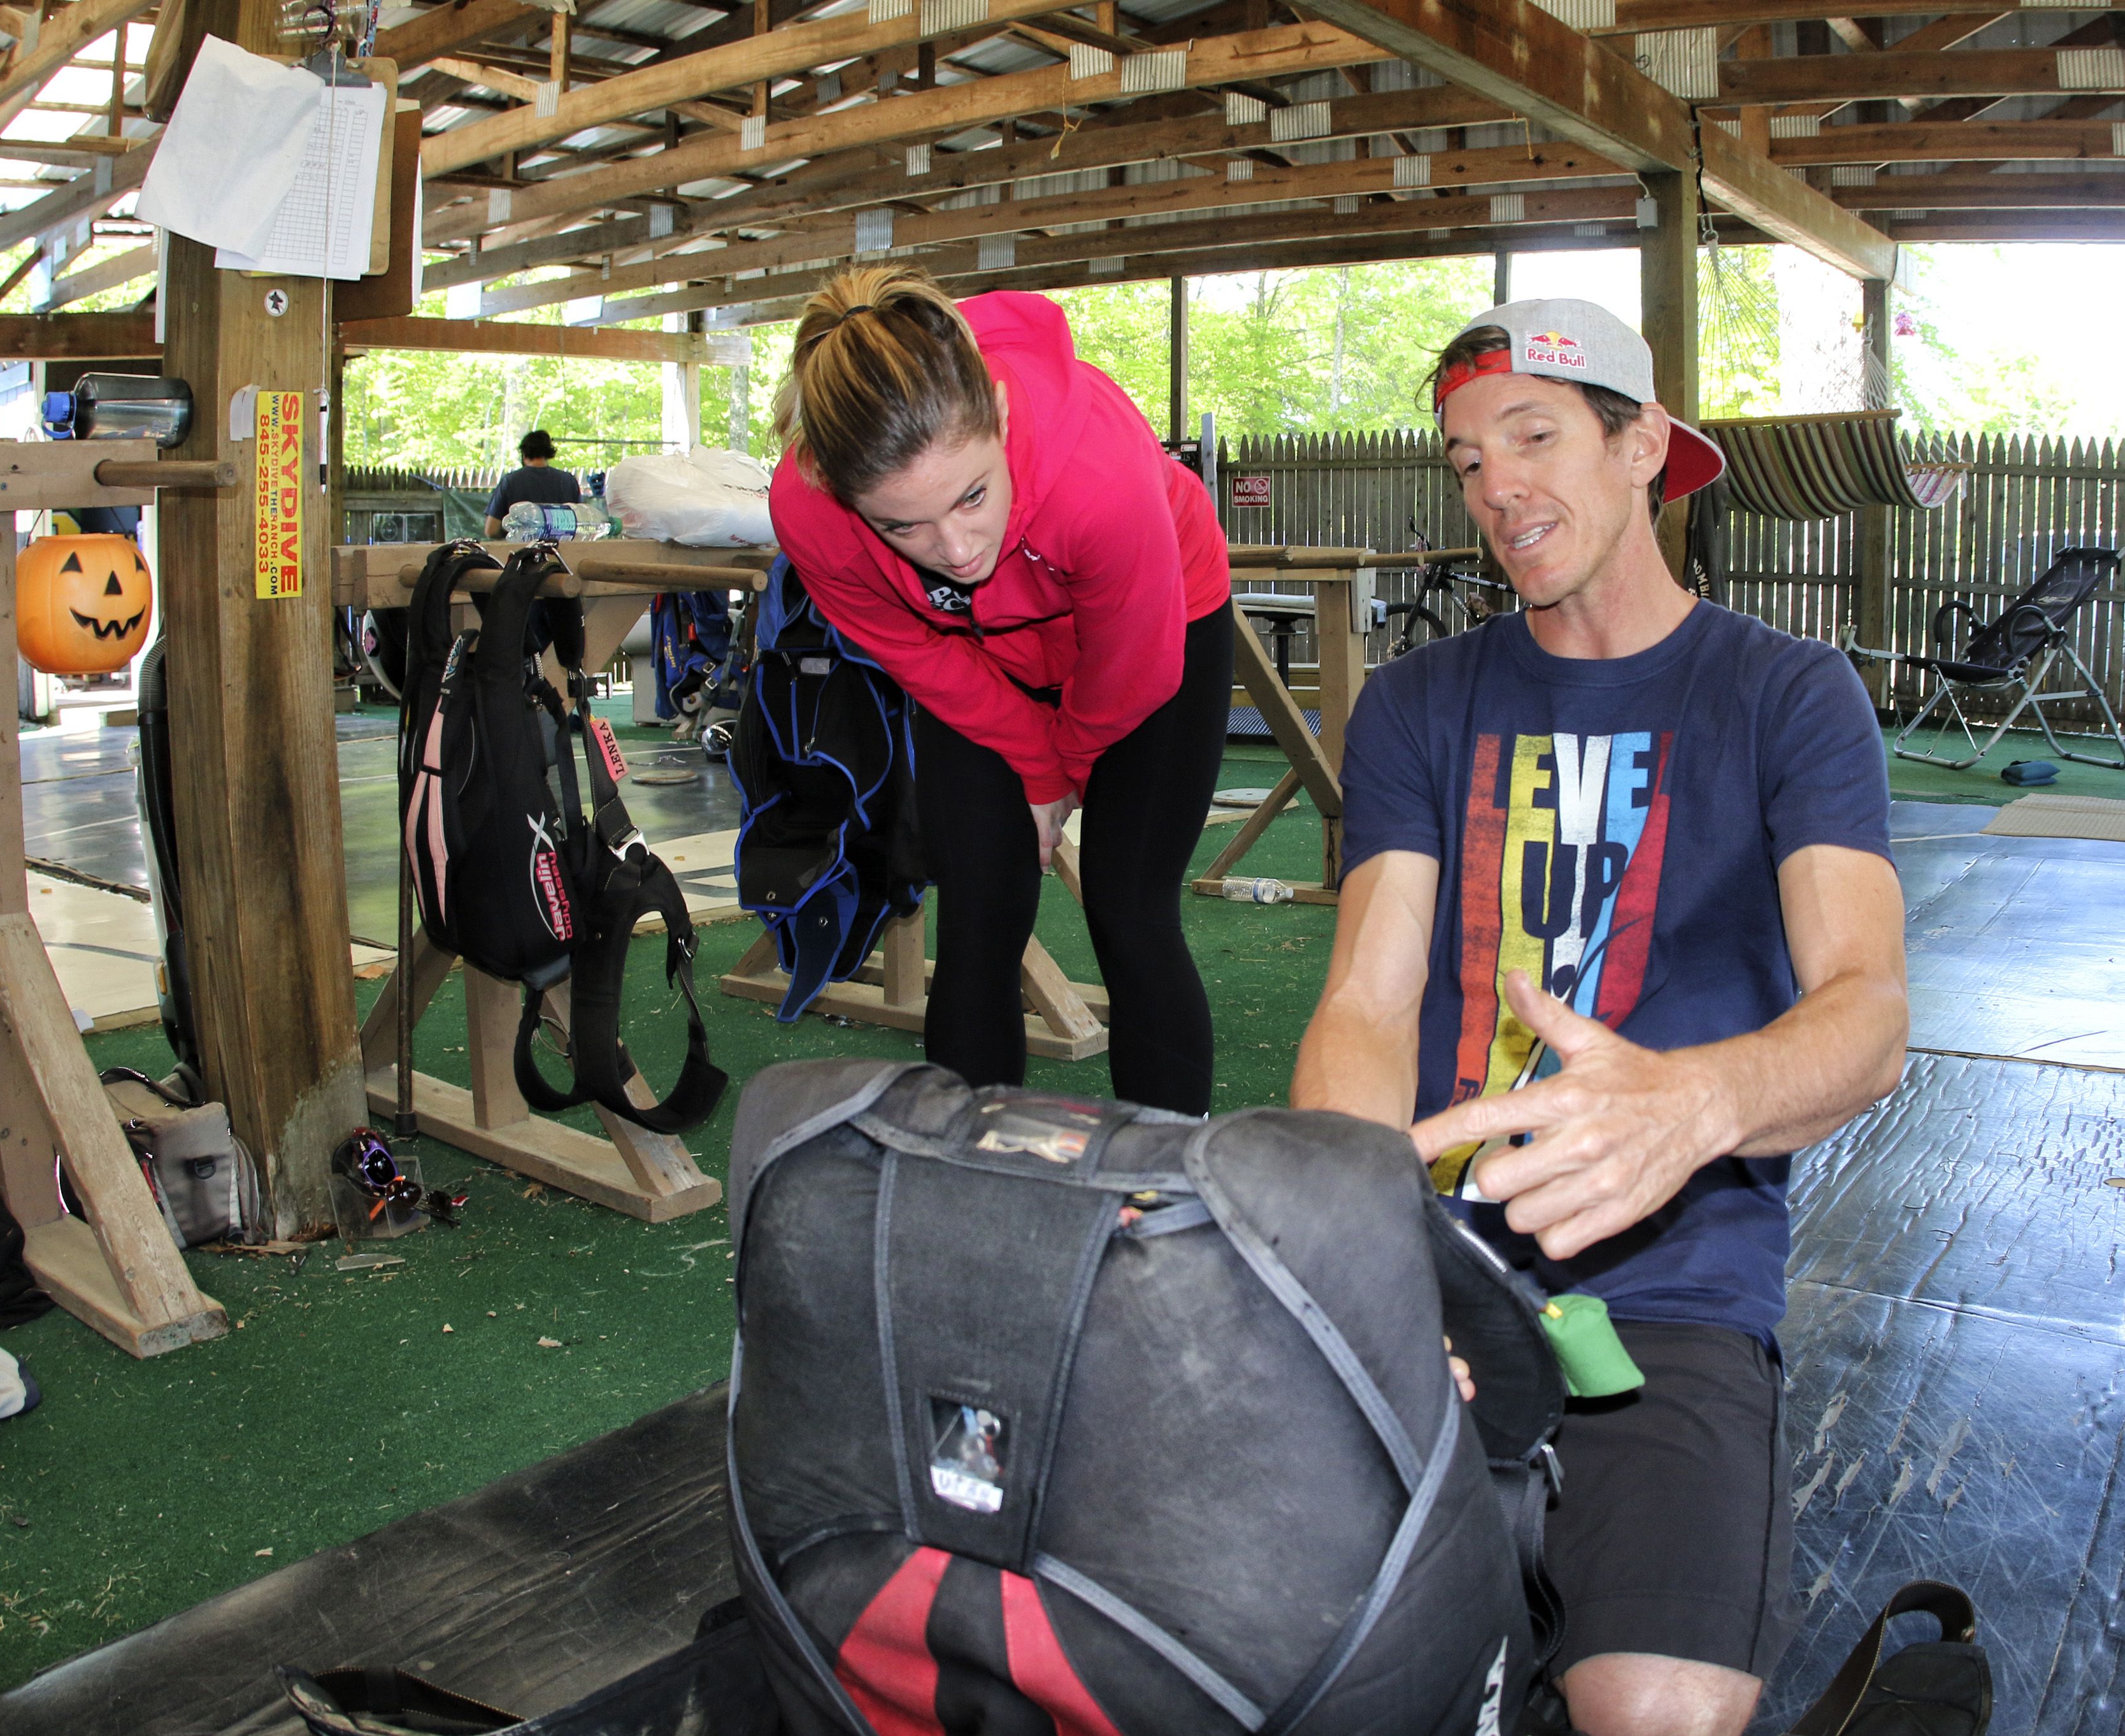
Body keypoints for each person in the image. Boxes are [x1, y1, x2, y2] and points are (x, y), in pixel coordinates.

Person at [1291, 298, 1909, 1736]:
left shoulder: (1787, 694)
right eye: (1464, 459)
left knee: (1657, 1710)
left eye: (1533, 435)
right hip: (1434, 1266)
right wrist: (1374, 1268)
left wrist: (1685, 1108)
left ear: (1642, 449)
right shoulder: (1417, 703)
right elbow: (1365, 1007)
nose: (1495, 485)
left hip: (1670, 1289)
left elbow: (1866, 1013)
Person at [766, 266, 1233, 1115]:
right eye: (900, 524)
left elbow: (1135, 665)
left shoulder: (1093, 465)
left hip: (1152, 633)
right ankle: (963, 1184)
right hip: (979, 657)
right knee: (979, 913)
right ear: (841, 496)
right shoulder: (809, 511)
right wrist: (1033, 765)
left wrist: (1066, 768)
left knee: (1130, 911)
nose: (953, 547)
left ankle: (1167, 1195)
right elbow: (912, 650)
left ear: (1002, 419)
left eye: (972, 496)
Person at [485, 429, 581, 538]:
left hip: (521, 552)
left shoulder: (510, 481)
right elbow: (581, 525)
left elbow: (491, 530)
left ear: (524, 454)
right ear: (549, 453)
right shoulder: (568, 481)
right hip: (561, 551)